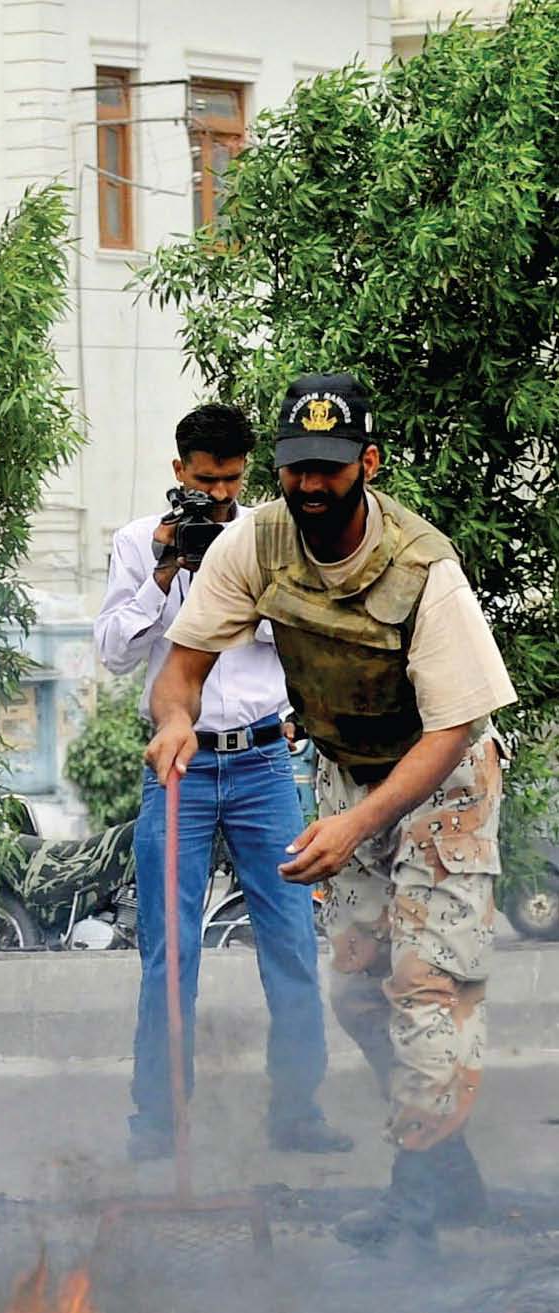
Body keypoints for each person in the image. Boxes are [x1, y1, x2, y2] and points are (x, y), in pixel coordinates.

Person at [147, 372, 517, 1255]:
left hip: (443, 782)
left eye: (331, 468)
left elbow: (453, 725)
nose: (311, 487)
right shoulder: (255, 542)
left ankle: (417, 1197)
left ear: (367, 465)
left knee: (429, 990)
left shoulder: (422, 565)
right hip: (349, 777)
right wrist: (172, 722)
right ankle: (447, 1156)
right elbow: (183, 665)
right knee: (357, 991)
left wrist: (359, 825)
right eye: (296, 469)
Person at [95, 402, 350, 1163]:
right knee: (167, 951)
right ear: (179, 472)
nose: (218, 495)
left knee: (293, 940)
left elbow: (310, 631)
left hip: (263, 761)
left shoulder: (272, 537)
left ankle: (297, 1112)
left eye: (233, 481)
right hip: (178, 762)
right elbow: (111, 652)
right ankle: (158, 1121)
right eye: (205, 481)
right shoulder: (139, 542)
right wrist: (168, 571)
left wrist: (238, 586)